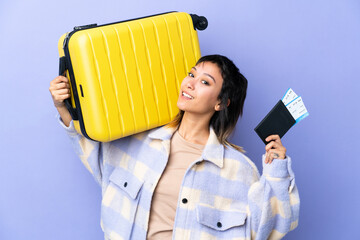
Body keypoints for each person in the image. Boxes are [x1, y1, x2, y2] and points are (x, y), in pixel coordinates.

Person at [49, 54, 299, 240]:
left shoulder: (237, 169)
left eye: (205, 82)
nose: (190, 83)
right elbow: (94, 153)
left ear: (221, 103)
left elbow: (270, 228)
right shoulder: (138, 140)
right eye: (191, 74)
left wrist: (277, 171)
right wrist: (63, 106)